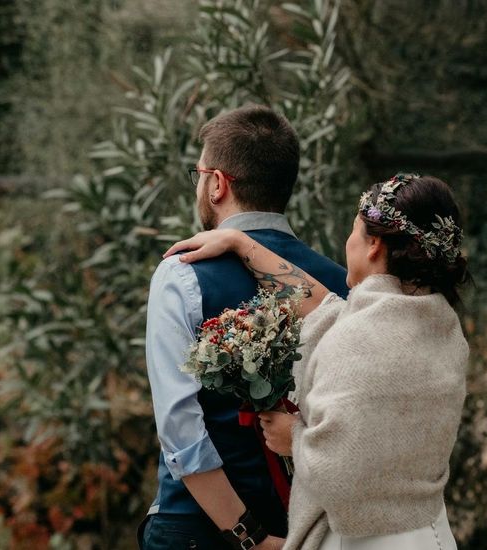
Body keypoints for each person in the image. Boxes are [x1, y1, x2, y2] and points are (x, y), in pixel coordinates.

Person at [163, 173, 470, 549]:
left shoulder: (364, 337)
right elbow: (325, 310)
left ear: (373, 244)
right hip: (429, 533)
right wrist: (241, 242)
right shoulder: (440, 328)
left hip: (365, 539)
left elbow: (342, 471)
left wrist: (293, 437)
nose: (348, 242)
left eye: (355, 232)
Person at [140, 105, 350, 550]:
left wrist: (248, 536)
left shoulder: (182, 274)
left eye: (197, 173)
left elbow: (180, 428)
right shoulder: (335, 286)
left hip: (199, 528)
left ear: (217, 184)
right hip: (308, 526)